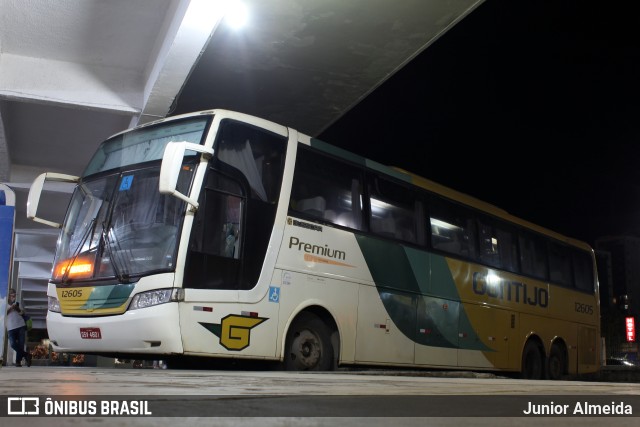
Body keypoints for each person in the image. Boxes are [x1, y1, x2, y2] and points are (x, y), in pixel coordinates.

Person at [6, 289, 31, 367]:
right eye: (12, 296)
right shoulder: (4, 305)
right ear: (8, 296)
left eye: (14, 296)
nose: (13, 297)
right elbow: (4, 314)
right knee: (13, 344)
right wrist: (10, 309)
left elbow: (22, 313)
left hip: (20, 326)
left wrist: (17, 308)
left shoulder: (18, 303)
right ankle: (26, 355)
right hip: (10, 327)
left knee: (20, 345)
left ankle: (18, 362)